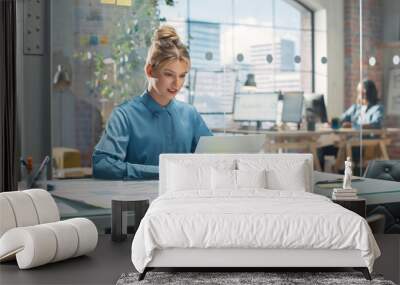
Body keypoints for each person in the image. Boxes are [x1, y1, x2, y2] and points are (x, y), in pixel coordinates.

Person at [92, 25, 212, 180]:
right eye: (169, 74)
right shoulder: (124, 115)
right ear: (150, 71)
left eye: (182, 76)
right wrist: (160, 172)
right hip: (138, 201)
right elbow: (102, 165)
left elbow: (213, 157)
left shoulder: (190, 115)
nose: (177, 83)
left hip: (183, 199)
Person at [318, 79, 384, 171]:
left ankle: (340, 171)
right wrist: (329, 123)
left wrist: (353, 125)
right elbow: (342, 119)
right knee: (321, 150)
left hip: (363, 146)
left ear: (368, 92)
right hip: (348, 143)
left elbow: (377, 124)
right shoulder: (356, 108)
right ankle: (327, 175)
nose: (360, 94)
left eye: (362, 91)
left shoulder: (377, 108)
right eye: (359, 91)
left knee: (342, 148)